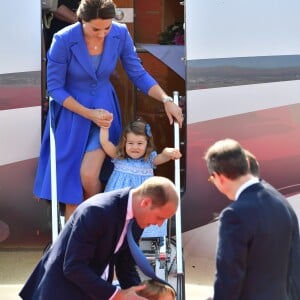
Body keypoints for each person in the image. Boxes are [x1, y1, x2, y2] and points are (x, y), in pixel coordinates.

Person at [34, 0, 184, 221]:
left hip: (105, 113)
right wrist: (88, 113)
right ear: (81, 20)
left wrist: (165, 99)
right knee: (71, 184)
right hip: (71, 115)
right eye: (95, 28)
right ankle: (82, 230)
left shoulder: (120, 33)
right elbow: (55, 88)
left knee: (88, 174)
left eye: (107, 27)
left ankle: (91, 223)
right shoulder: (63, 39)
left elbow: (137, 73)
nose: (102, 33)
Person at [19, 176, 179, 300]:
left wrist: (137, 294)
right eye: (160, 217)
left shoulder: (138, 218)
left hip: (89, 292)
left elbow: (125, 266)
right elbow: (74, 267)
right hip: (59, 292)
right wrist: (117, 295)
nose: (159, 224)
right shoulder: (97, 211)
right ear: (145, 202)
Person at [204, 138, 300, 300]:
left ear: (219, 177)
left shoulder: (234, 214)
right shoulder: (281, 201)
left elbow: (229, 277)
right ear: (247, 164)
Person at [100, 118, 181, 237]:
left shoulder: (149, 160)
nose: (135, 147)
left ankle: (143, 242)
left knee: (143, 220)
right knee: (118, 222)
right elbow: (105, 143)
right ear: (124, 143)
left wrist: (168, 152)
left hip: (141, 200)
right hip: (121, 199)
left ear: (147, 144)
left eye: (140, 143)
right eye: (130, 143)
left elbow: (162, 157)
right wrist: (104, 127)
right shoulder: (119, 157)